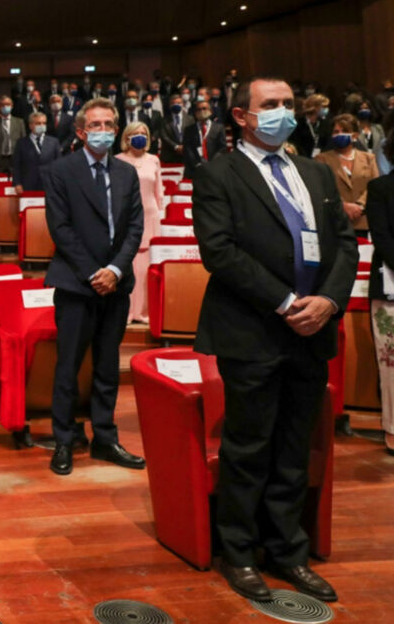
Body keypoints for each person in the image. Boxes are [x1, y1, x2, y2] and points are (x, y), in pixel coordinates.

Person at [192, 75, 355, 604]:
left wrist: (328, 301)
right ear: (242, 115)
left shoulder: (315, 172)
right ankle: (238, 551)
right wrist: (287, 304)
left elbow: (346, 244)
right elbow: (219, 251)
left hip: (313, 330)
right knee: (249, 447)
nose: (283, 112)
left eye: (288, 104)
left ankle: (288, 551)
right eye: (271, 105)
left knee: (293, 447)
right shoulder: (218, 173)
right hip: (254, 330)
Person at [42, 97, 145, 475]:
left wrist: (115, 271)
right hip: (76, 284)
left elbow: (135, 227)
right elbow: (61, 229)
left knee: (106, 366)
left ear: (116, 130)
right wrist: (94, 273)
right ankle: (65, 440)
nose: (102, 131)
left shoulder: (126, 172)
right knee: (68, 367)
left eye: (108, 124)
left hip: (116, 284)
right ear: (82, 131)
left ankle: (105, 437)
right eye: (95, 125)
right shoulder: (60, 171)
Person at [115, 122, 164, 323]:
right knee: (127, 265)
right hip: (126, 218)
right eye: (135, 133)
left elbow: (158, 192)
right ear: (127, 137)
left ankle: (143, 312)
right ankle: (126, 312)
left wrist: (160, 213)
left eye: (144, 133)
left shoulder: (154, 160)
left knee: (146, 269)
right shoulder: (117, 160)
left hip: (150, 216)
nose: (140, 136)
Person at [364, 147, 394, 455]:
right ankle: (392, 428)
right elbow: (382, 237)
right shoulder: (380, 187)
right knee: (392, 364)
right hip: (390, 285)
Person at [316, 113, 377, 238]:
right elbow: (320, 188)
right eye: (336, 131)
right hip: (334, 220)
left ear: (354, 135)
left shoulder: (368, 158)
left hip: (362, 220)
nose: (339, 134)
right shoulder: (321, 159)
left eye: (344, 131)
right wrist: (343, 206)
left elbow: (374, 186)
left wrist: (359, 206)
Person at [12, 112, 61, 193]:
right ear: (30, 125)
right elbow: (16, 165)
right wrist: (17, 183)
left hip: (49, 184)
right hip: (28, 184)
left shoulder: (54, 142)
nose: (42, 126)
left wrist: (59, 182)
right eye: (38, 123)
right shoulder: (21, 143)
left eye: (44, 123)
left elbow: (59, 165)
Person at [182, 99, 228, 179]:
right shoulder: (189, 129)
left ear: (210, 111)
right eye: (199, 109)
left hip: (214, 168)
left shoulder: (219, 128)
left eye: (204, 108)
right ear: (195, 112)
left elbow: (222, 148)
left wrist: (211, 164)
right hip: (194, 170)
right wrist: (197, 164)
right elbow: (187, 148)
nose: (201, 111)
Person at [0, 96, 25, 173]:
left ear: (12, 106)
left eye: (8, 104)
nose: (5, 107)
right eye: (2, 105)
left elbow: (23, 143)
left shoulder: (19, 122)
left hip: (15, 159)